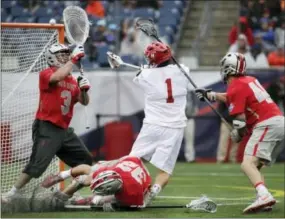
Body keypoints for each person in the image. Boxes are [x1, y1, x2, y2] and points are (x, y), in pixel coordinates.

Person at [1, 43, 93, 203]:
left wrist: (84, 90)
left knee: (84, 160)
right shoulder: (46, 73)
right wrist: (73, 60)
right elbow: (56, 77)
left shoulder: (71, 80)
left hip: (64, 130)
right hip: (47, 126)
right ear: (52, 57)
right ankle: (12, 193)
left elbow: (84, 102)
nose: (65, 57)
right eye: (61, 55)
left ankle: (69, 193)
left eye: (66, 54)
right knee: (38, 165)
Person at [194, 52, 284, 214]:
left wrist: (239, 134)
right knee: (255, 165)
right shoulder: (249, 80)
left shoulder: (236, 85)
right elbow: (233, 96)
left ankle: (264, 195)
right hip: (277, 122)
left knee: (247, 164)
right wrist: (211, 95)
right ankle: (264, 198)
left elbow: (240, 119)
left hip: (267, 124)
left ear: (227, 69)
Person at [129, 42, 191, 206]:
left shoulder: (145, 75)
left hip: (153, 125)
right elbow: (174, 69)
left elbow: (139, 76)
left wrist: (145, 69)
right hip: (175, 127)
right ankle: (153, 191)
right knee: (165, 170)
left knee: (132, 161)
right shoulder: (183, 70)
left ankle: (126, 190)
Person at [41, 156, 152, 211]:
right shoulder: (108, 171)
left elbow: (138, 206)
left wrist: (113, 205)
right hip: (126, 162)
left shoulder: (133, 194)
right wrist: (67, 175)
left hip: (136, 176)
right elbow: (86, 171)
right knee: (83, 178)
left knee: (98, 201)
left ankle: (73, 199)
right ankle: (60, 180)